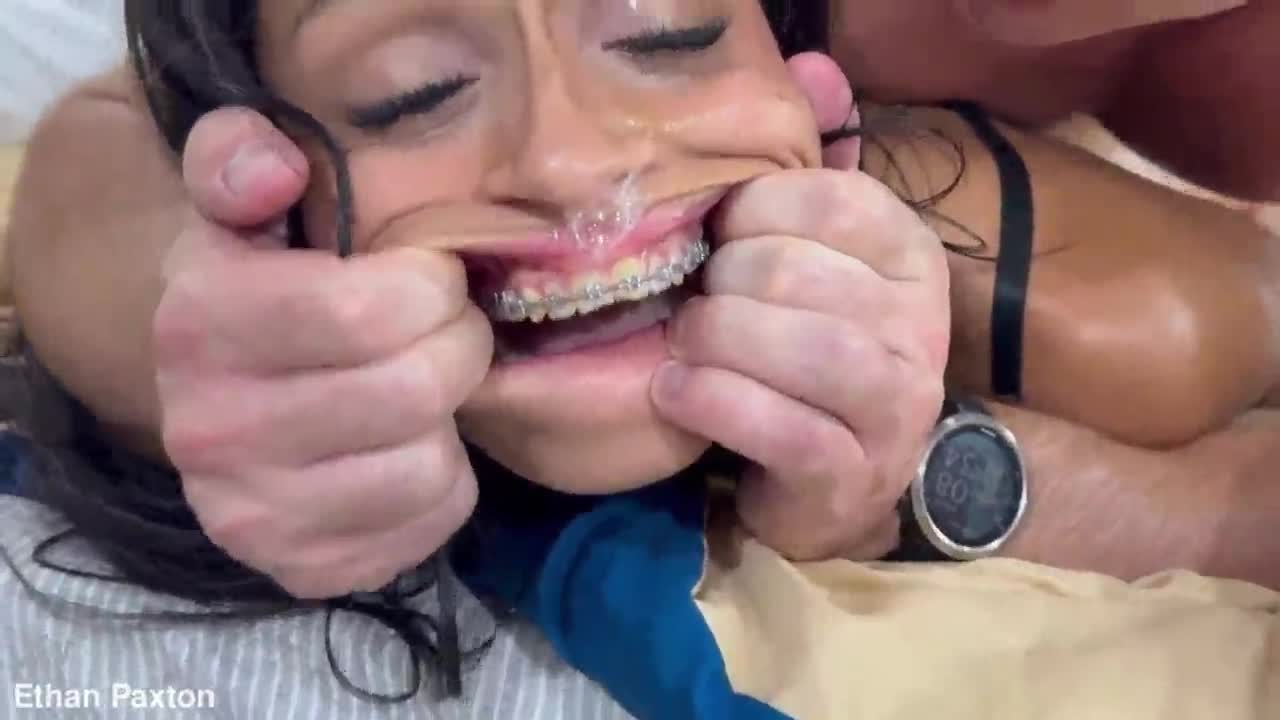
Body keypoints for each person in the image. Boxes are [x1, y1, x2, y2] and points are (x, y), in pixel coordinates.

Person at [1, 0, 1277, 716]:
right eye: (410, 91)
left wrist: (913, 474)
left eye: (667, 29)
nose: (571, 161)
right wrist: (183, 312)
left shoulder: (1089, 276)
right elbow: (101, 146)